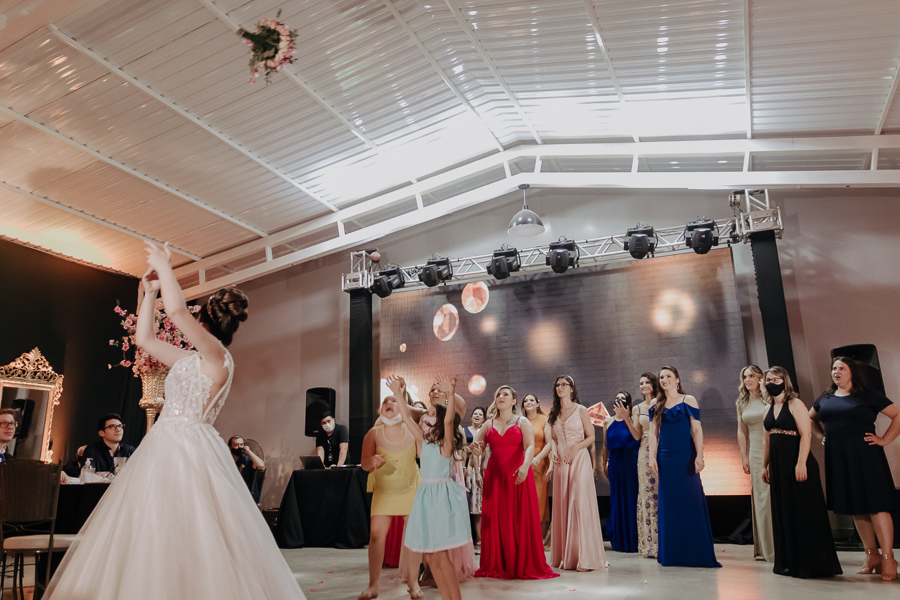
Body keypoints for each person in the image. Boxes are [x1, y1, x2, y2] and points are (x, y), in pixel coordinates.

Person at [45, 241, 306, 600]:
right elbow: (144, 338)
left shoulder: (218, 357)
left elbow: (179, 312)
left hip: (188, 448)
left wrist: (165, 265)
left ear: (205, 321)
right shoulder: (188, 360)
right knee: (150, 526)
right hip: (161, 444)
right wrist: (150, 292)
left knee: (190, 527)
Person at [810, 356, 900, 581]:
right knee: (857, 507)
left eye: (842, 368)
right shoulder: (825, 397)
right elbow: (811, 419)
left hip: (866, 456)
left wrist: (885, 439)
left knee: (877, 506)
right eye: (834, 368)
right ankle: (871, 555)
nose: (836, 372)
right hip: (839, 458)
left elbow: (898, 415)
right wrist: (821, 436)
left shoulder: (868, 395)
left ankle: (888, 558)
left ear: (852, 372)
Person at [391, 374, 470, 600]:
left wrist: (451, 393)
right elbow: (407, 418)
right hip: (425, 497)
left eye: (433, 415)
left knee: (440, 555)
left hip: (440, 498)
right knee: (432, 557)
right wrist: (397, 393)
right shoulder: (424, 441)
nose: (427, 418)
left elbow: (448, 421)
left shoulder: (446, 443)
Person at [762, 366, 841, 578]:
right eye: (769, 379)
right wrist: (763, 465)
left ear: (785, 381)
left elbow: (806, 435)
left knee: (803, 510)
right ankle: (789, 562)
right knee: (785, 510)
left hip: (797, 462)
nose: (772, 383)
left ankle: (811, 564)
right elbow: (766, 440)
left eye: (776, 379)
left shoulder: (795, 403)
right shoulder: (767, 407)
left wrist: (801, 463)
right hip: (777, 465)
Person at [473, 386, 558, 580]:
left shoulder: (522, 421)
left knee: (518, 517)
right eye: (498, 395)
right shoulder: (488, 424)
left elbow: (529, 446)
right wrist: (475, 452)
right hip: (495, 477)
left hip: (517, 474)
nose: (501, 397)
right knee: (497, 518)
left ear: (513, 401)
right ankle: (498, 562)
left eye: (506, 394)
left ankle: (519, 561)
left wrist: (525, 465)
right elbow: (478, 449)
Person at [650, 366, 721, 568]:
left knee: (691, 500)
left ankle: (696, 553)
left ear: (677, 379)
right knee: (669, 504)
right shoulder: (656, 403)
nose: (664, 380)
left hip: (685, 457)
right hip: (665, 458)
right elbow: (653, 433)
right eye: (661, 377)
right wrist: (651, 457)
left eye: (668, 376)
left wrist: (700, 455)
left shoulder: (688, 400)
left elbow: (697, 430)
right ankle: (672, 554)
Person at [359, 393, 421, 600]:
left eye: (394, 401)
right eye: (385, 401)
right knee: (376, 534)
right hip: (384, 491)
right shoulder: (373, 433)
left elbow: (424, 453)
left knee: (414, 535)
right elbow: (364, 463)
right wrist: (371, 461)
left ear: (403, 406)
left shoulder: (412, 430)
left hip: (410, 488)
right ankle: (373, 585)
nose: (389, 403)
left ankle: (413, 582)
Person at [548, 375, 607, 571]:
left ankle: (584, 556)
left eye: (564, 385)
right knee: (564, 503)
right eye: (558, 385)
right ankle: (567, 556)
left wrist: (575, 448)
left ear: (572, 389)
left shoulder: (580, 410)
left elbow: (591, 437)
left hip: (579, 459)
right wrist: (554, 450)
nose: (560, 387)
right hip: (561, 463)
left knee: (578, 502)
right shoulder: (554, 413)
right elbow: (553, 438)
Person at [735, 365, 774, 562]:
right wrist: (744, 456)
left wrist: (766, 391)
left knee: (775, 496)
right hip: (756, 452)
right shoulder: (742, 402)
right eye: (745, 377)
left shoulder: (770, 398)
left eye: (751, 375)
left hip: (775, 448)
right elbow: (741, 431)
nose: (747, 379)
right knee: (761, 497)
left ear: (760, 378)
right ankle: (767, 548)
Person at [602, 391, 640, 553]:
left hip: (630, 463)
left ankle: (633, 538)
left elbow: (637, 437)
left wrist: (626, 418)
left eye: (623, 399)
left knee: (631, 498)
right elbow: (605, 445)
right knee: (617, 499)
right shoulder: (607, 421)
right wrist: (604, 464)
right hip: (615, 464)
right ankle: (618, 538)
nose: (619, 401)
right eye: (617, 398)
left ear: (628, 403)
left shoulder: (633, 419)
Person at [633, 372, 659, 558]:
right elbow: (636, 435)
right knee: (647, 493)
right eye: (641, 383)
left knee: (661, 492)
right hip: (644, 451)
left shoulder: (662, 402)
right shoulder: (637, 408)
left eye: (647, 382)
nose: (643, 385)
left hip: (662, 449)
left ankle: (666, 541)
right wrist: (626, 418)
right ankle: (650, 544)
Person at [521, 394, 552, 539]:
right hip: (522, 463)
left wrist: (538, 458)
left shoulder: (545, 420)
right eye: (526, 401)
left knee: (538, 499)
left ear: (538, 404)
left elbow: (549, 443)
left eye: (531, 400)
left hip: (539, 463)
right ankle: (524, 535)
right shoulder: (519, 420)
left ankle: (538, 537)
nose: (528, 402)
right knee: (522, 500)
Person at [465, 406, 486, 545]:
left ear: (484, 418)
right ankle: (477, 537)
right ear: (471, 416)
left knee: (482, 504)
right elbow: (461, 448)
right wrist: (468, 449)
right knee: (473, 505)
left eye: (480, 414)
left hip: (482, 466)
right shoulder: (464, 430)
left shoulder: (485, 431)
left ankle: (484, 536)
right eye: (475, 414)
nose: (477, 416)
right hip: (469, 467)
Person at [228, 436, 265, 503]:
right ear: (230, 447)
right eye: (236, 445)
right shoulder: (227, 460)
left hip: (247, 494)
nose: (239, 447)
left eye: (241, 445)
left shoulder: (247, 459)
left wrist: (249, 452)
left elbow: (261, 465)